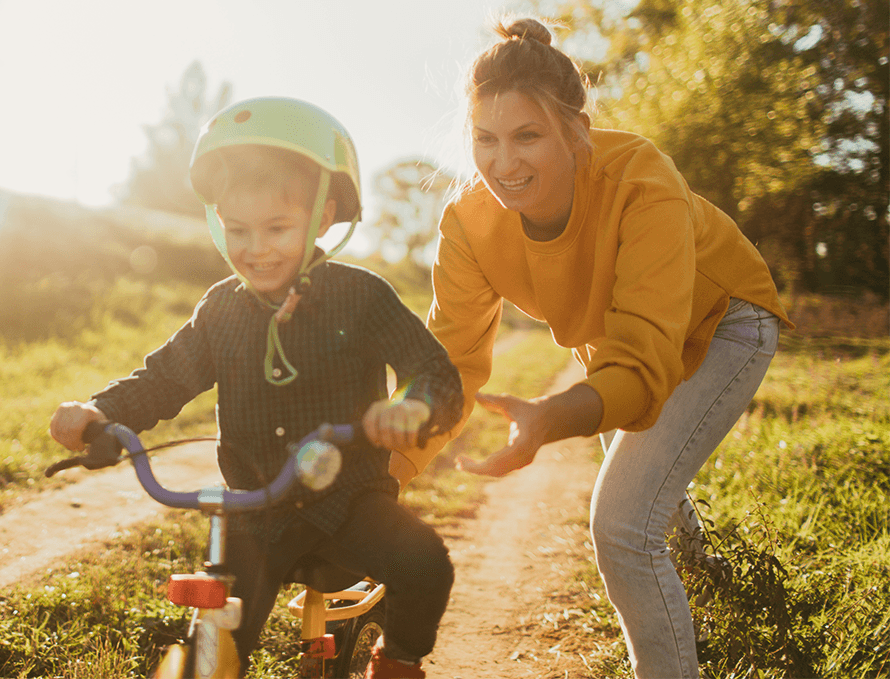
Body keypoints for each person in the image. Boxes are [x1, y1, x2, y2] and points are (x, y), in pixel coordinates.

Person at [415, 16, 794, 679]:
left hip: (726, 315)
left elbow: (646, 366)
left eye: (527, 136)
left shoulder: (642, 180)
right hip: (616, 336)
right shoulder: (468, 223)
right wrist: (377, 474)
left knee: (621, 524)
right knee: (643, 472)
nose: (504, 163)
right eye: (486, 139)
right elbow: (449, 362)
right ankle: (708, 570)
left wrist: (551, 417)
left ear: (577, 134)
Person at [49, 97, 461, 679]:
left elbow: (436, 372)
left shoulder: (362, 298)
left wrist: (413, 406)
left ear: (320, 220)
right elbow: (166, 377)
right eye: (238, 230)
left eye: (277, 228)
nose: (256, 248)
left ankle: (396, 662)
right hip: (253, 513)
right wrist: (99, 411)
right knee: (216, 645)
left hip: (349, 504)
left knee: (424, 562)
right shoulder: (222, 310)